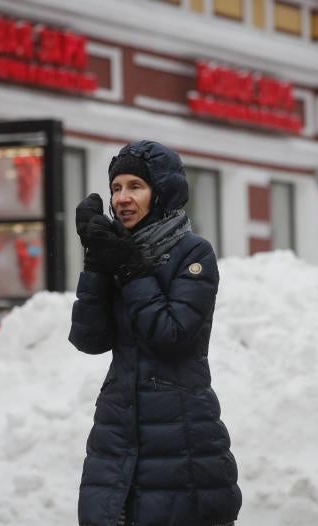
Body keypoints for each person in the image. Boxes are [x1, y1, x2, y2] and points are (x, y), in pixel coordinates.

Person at [69, 140, 241, 526]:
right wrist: (97, 262)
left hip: (179, 430)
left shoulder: (194, 254)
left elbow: (171, 335)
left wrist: (130, 269)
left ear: (160, 192)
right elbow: (89, 339)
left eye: (136, 187)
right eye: (116, 188)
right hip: (118, 424)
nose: (123, 199)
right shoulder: (117, 251)